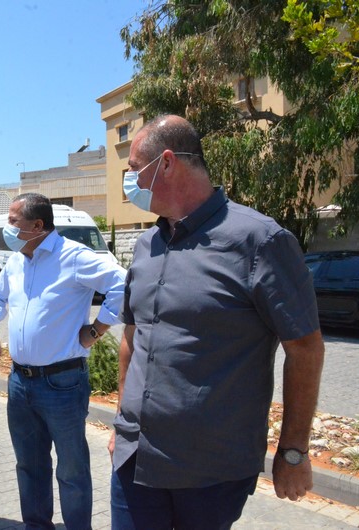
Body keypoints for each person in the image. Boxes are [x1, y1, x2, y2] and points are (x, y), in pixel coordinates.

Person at [110, 114, 324, 529]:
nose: (129, 180)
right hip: (136, 459)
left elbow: (306, 349)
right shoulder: (145, 245)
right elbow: (131, 341)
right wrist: (122, 423)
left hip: (210, 472)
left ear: (167, 163)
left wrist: (293, 450)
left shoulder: (260, 242)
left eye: (134, 169)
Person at [0, 193, 127, 530]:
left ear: (38, 226)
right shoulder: (17, 260)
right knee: (29, 465)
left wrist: (96, 329)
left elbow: (123, 284)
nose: (8, 227)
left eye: (14, 221)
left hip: (62, 383)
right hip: (20, 382)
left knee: (71, 469)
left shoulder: (73, 257)